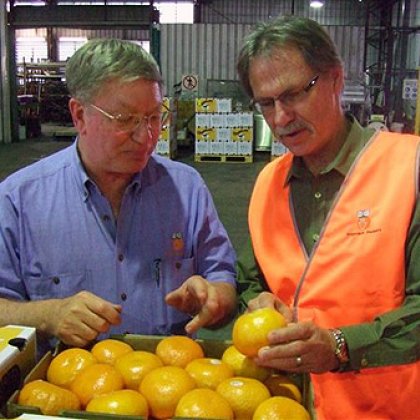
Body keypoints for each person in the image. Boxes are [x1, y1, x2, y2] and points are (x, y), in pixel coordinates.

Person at [0, 39, 237, 357]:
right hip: (66, 392)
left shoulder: (187, 189)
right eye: (125, 120)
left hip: (167, 389)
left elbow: (223, 276)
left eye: (154, 117)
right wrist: (48, 316)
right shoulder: (19, 201)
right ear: (79, 115)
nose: (146, 136)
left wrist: (214, 297)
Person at [236, 15, 420, 419]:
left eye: (294, 94)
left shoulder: (410, 168)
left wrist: (340, 345)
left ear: (336, 79)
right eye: (266, 103)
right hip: (289, 406)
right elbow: (252, 281)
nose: (281, 118)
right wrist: (257, 302)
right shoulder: (268, 183)